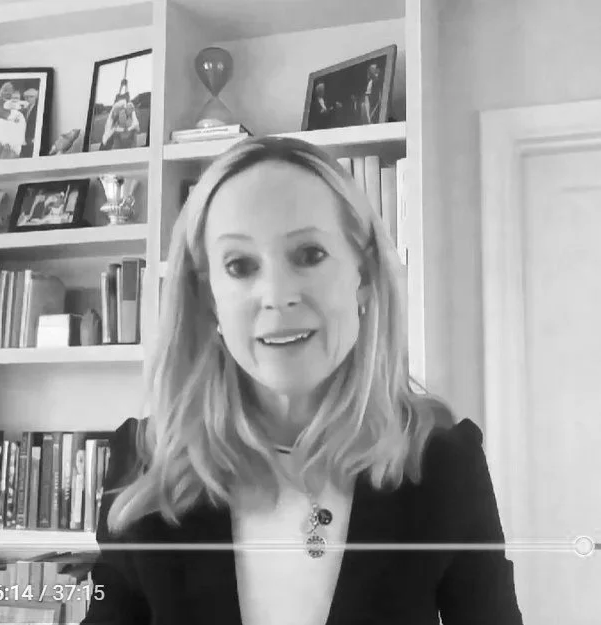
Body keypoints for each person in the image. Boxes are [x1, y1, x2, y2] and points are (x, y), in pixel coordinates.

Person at [80, 136, 522, 625]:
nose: (277, 295)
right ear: (209, 300)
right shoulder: (146, 461)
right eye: (240, 265)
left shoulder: (442, 464)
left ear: (365, 276)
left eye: (309, 254)